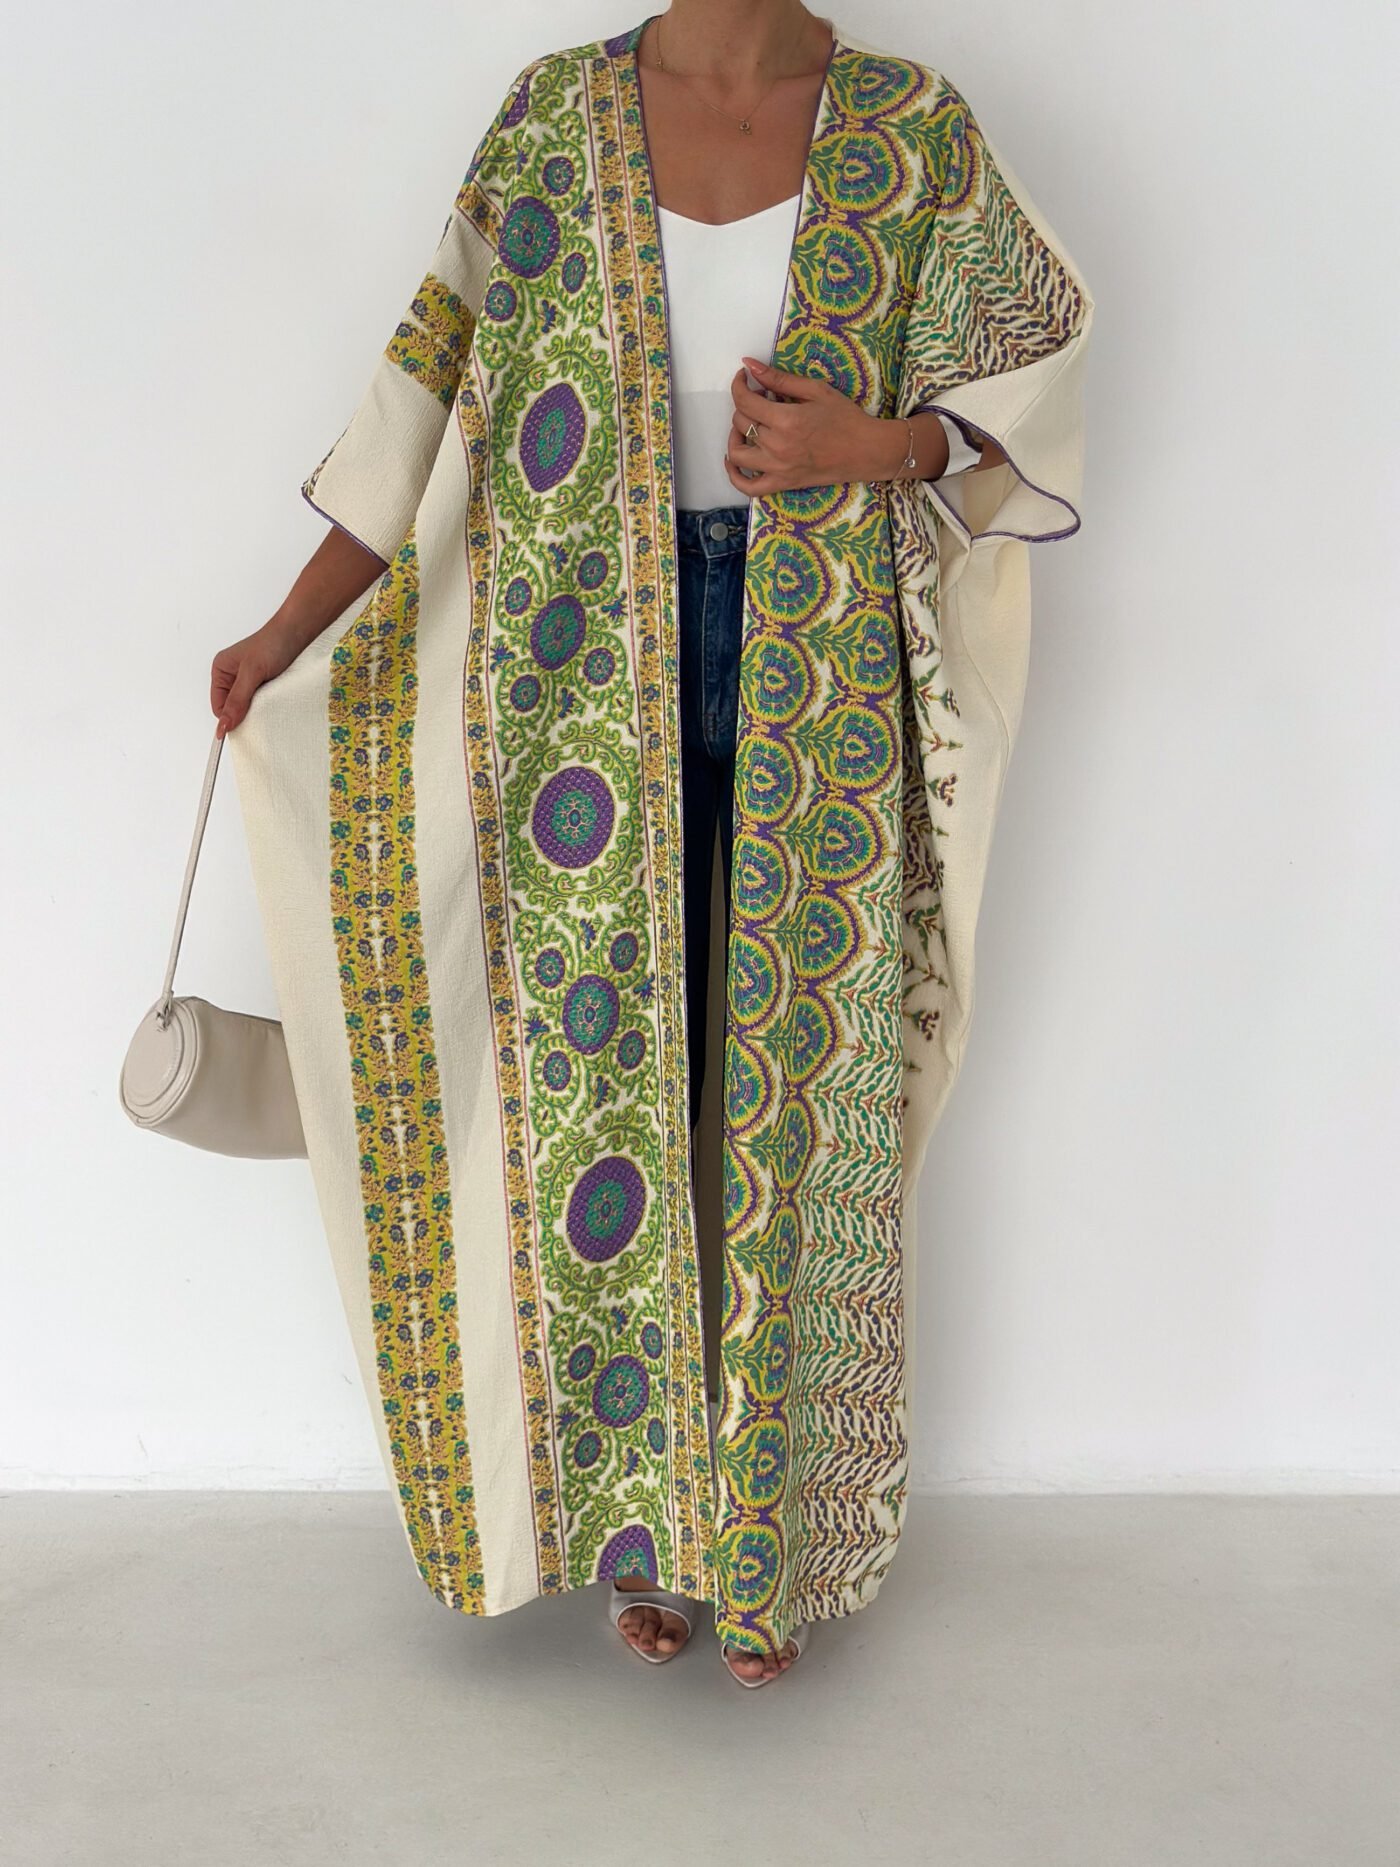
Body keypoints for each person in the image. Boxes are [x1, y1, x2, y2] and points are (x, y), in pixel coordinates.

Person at [216, 2, 1092, 1689]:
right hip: (572, 685)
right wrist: (281, 633)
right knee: (603, 1095)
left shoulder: (911, 128)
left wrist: (872, 445)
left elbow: (1030, 378)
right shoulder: (551, 118)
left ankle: (763, 1547)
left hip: (823, 675)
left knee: (786, 1106)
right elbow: (419, 398)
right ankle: (642, 1534)